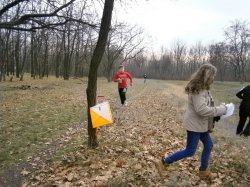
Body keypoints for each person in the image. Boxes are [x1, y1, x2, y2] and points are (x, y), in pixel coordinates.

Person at [160, 63, 228, 179]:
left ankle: (203, 171)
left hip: (201, 125)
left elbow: (207, 106)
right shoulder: (198, 89)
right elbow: (201, 109)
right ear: (207, 75)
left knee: (209, 145)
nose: (214, 78)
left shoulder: (203, 88)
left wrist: (221, 109)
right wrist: (221, 110)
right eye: (213, 75)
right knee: (190, 150)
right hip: (194, 125)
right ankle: (164, 162)